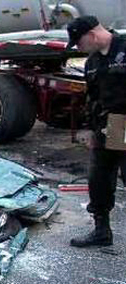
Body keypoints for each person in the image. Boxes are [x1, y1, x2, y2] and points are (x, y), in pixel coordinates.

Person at [67, 16, 126, 247]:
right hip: (107, 126)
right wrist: (91, 131)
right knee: (99, 178)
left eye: (79, 43)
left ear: (92, 35)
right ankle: (102, 231)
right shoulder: (91, 63)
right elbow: (91, 99)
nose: (78, 48)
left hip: (124, 123)